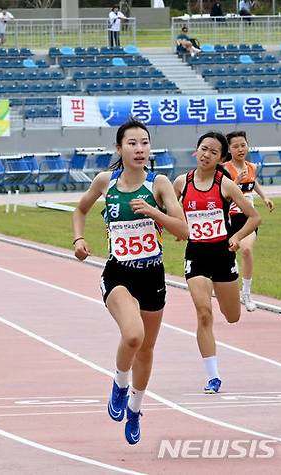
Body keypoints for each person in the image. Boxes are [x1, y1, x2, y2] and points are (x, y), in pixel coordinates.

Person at [73, 119, 188, 445]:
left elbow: (182, 231)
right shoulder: (105, 181)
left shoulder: (159, 183)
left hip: (152, 275)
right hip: (118, 273)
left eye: (144, 143)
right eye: (132, 143)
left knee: (147, 350)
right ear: (119, 148)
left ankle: (135, 409)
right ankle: (120, 384)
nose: (140, 149)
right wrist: (78, 240)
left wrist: (154, 213)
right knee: (134, 335)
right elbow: (79, 210)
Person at [173, 132, 260, 394]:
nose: (206, 155)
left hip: (222, 256)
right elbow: (169, 211)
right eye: (203, 149)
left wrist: (236, 236)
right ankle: (213, 377)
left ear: (221, 157)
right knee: (203, 312)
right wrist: (178, 227)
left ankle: (230, 301)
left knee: (231, 316)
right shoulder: (182, 183)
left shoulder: (226, 184)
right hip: (196, 255)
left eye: (213, 152)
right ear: (195, 151)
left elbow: (254, 218)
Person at [223, 131, 275, 312]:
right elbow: (223, 194)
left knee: (245, 249)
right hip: (229, 218)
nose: (240, 149)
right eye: (235, 146)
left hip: (248, 218)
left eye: (243, 145)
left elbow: (254, 183)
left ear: (247, 145)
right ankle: (232, 286)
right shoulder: (224, 170)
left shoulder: (252, 166)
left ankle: (246, 293)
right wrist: (235, 181)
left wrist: (265, 197)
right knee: (230, 254)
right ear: (229, 149)